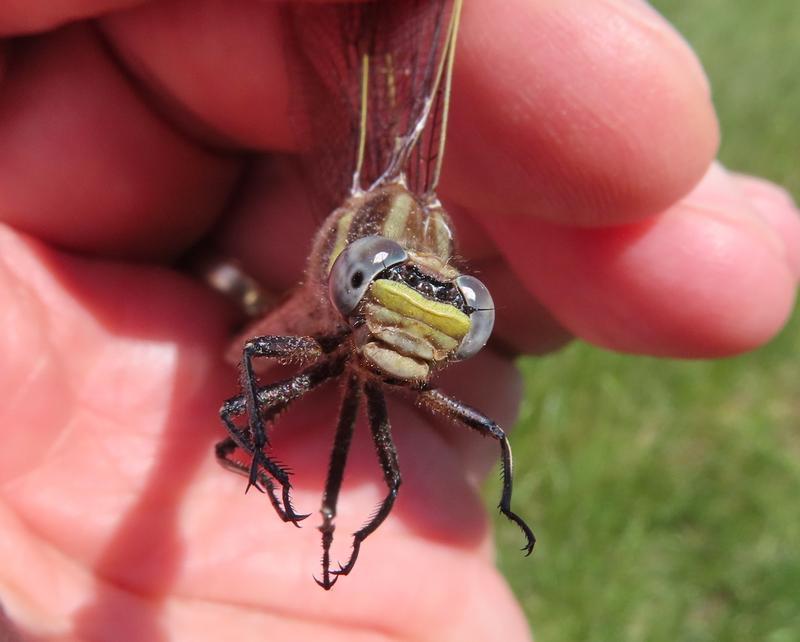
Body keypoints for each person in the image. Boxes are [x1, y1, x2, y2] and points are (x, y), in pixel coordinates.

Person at [0, 1, 797, 640]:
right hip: (277, 322)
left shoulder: (396, 315)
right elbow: (254, 372)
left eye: (461, 320)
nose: (419, 331)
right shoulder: (340, 309)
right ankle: (312, 521)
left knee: (406, 444)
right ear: (348, 282)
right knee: (247, 416)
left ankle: (327, 529)